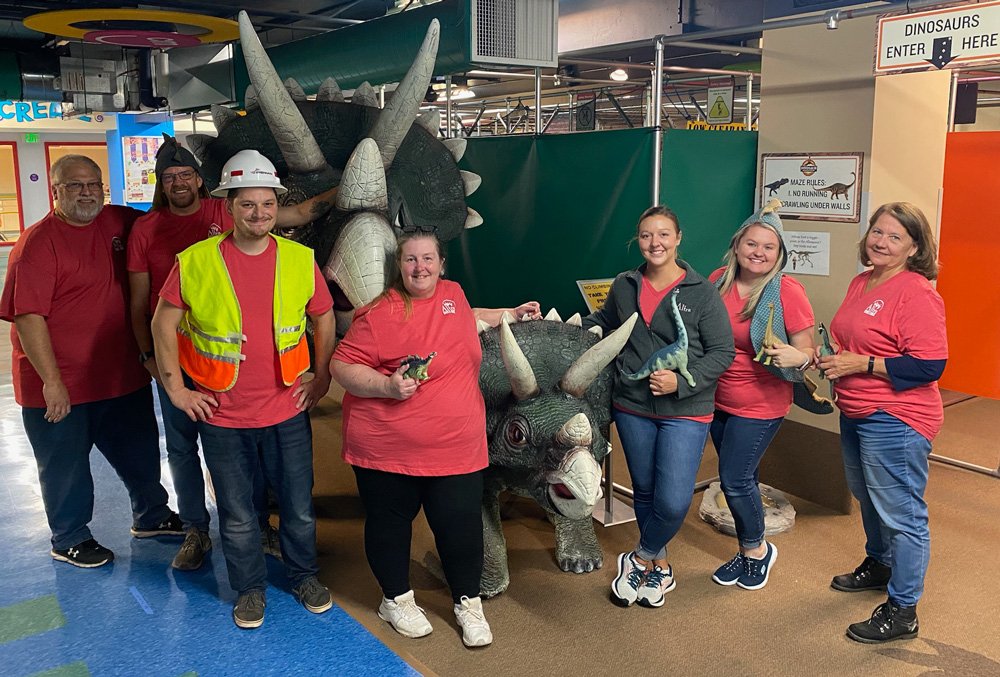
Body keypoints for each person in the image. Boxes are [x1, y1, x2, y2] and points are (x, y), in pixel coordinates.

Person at [129, 135, 338, 571]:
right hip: (217, 404)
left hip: (284, 406)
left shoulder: (300, 259)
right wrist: (174, 388)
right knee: (224, 498)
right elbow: (155, 318)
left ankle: (302, 574)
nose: (258, 213)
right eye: (247, 204)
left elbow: (323, 316)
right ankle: (213, 549)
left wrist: (321, 378)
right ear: (228, 207)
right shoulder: (192, 257)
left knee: (297, 504)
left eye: (266, 204)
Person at [330, 229, 540, 648]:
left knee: (460, 527)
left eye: (427, 259)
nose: (419, 267)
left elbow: (466, 317)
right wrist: (386, 387)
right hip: (388, 449)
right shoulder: (378, 314)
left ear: (441, 264)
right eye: (410, 260)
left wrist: (507, 314)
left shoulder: (453, 294)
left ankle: (468, 603)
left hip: (457, 445)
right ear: (399, 266)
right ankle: (396, 600)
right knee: (390, 524)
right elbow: (341, 364)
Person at [0, 155, 182, 568]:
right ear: (55, 192)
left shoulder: (119, 221)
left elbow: (164, 219)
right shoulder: (37, 245)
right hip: (61, 383)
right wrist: (52, 381)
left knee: (139, 453)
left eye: (93, 184)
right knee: (65, 467)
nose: (86, 192)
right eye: (75, 185)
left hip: (120, 374)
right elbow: (29, 319)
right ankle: (69, 537)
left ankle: (151, 515)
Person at [583, 205, 735, 609]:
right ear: (639, 239)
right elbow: (604, 318)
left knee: (673, 500)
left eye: (664, 234)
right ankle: (660, 567)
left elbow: (722, 352)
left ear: (678, 238)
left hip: (686, 410)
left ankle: (638, 557)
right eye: (648, 235)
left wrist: (681, 383)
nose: (656, 243)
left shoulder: (702, 292)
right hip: (632, 406)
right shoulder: (624, 284)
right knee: (646, 492)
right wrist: (564, 328)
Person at [818, 202, 947, 644]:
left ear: (914, 247)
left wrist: (864, 363)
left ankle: (904, 610)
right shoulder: (863, 281)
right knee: (868, 499)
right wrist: (834, 359)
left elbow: (930, 366)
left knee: (902, 514)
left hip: (897, 418)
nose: (881, 241)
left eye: (895, 236)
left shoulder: (916, 291)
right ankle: (880, 563)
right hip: (857, 411)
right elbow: (853, 341)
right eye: (878, 231)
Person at [708, 200, 816, 590]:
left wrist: (797, 355)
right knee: (744, 478)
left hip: (760, 403)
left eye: (769, 247)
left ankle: (756, 551)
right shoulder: (719, 279)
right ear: (737, 246)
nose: (759, 252)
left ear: (780, 254)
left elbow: (809, 353)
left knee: (734, 480)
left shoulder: (787, 291)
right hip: (717, 399)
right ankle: (747, 545)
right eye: (752, 244)